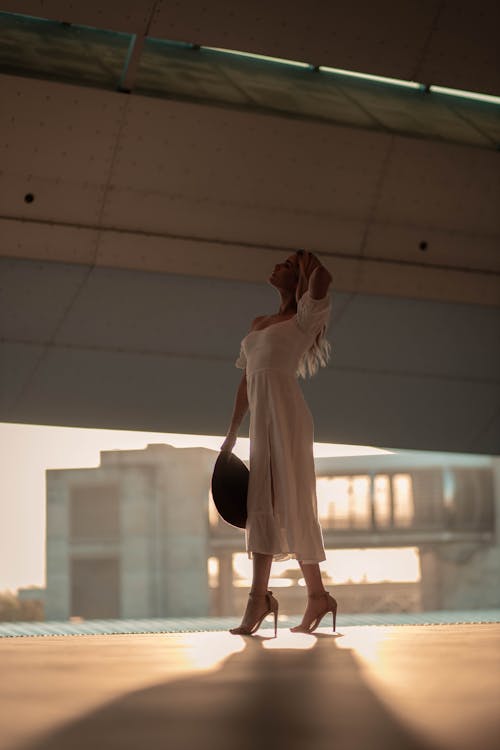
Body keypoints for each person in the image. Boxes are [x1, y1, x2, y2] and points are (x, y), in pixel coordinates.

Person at [220, 249, 337, 636]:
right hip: (261, 422)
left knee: (292, 502)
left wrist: (308, 260)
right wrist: (233, 431)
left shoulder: (303, 319)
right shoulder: (259, 323)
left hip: (288, 418)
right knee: (262, 505)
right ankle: (300, 596)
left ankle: (267, 599)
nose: (275, 266)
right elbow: (245, 381)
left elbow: (323, 280)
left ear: (297, 277)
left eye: (285, 264)